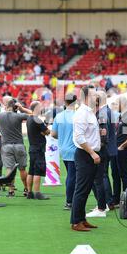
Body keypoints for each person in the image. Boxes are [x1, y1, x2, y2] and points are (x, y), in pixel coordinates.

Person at [71, 86, 101, 231]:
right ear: (86, 97)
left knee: (86, 188)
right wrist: (92, 153)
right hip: (85, 154)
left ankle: (81, 219)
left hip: (88, 154)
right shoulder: (82, 113)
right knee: (82, 189)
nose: (97, 98)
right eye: (94, 95)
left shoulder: (88, 112)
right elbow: (79, 137)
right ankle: (76, 222)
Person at [0, 99, 33, 196]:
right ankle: (27, 189)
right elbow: (33, 115)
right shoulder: (18, 115)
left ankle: (11, 190)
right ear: (15, 106)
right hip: (19, 144)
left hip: (6, 145)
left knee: (9, 169)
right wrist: (22, 108)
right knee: (22, 169)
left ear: (6, 106)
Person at [51, 93, 78, 210]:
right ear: (75, 102)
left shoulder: (59, 116)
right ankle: (70, 201)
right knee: (73, 176)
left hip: (64, 149)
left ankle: (70, 200)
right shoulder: (77, 115)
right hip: (75, 149)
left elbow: (53, 134)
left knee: (71, 175)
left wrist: (62, 138)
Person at [110, 96, 127, 206]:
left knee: (123, 174)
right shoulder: (122, 117)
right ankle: (116, 200)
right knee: (115, 174)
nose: (115, 106)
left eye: (116, 104)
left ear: (122, 104)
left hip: (123, 150)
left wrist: (122, 146)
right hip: (116, 150)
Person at [26, 101, 50, 200]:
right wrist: (45, 131)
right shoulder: (37, 120)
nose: (42, 108)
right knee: (38, 171)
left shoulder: (29, 119)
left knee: (31, 171)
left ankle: (29, 192)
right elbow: (47, 131)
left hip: (32, 147)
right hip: (38, 148)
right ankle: (37, 193)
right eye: (40, 106)